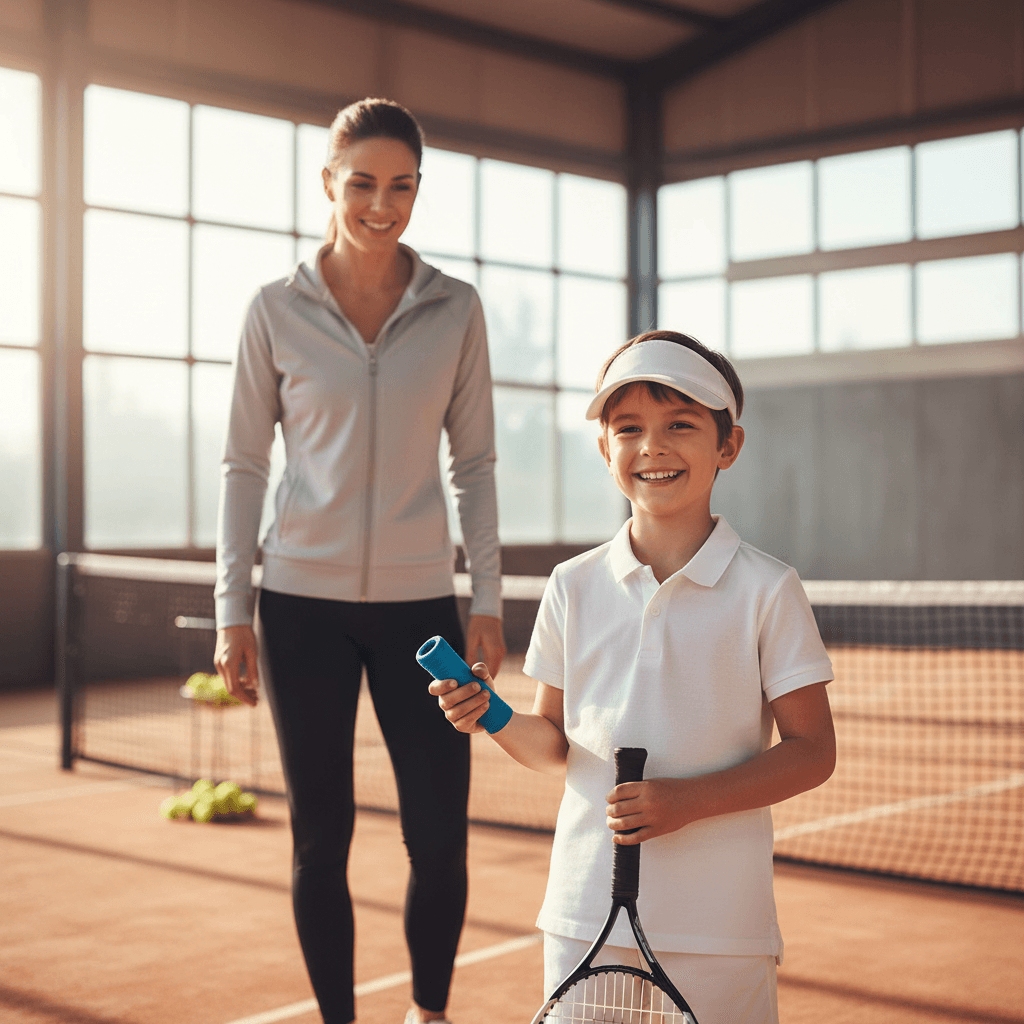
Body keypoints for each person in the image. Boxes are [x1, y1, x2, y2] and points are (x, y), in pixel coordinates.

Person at [430, 330, 836, 1024]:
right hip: (582, 912)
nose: (653, 446)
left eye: (680, 424)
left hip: (721, 930)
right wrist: (488, 715)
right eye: (629, 429)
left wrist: (690, 800)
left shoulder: (769, 589)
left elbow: (812, 751)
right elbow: (554, 745)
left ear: (728, 446)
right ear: (604, 450)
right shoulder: (572, 585)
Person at [213, 97, 506, 1024]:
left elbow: (477, 464)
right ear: (330, 183)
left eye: (404, 186)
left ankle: (429, 1014)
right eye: (365, 183)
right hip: (300, 605)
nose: (384, 204)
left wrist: (486, 598)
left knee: (439, 838)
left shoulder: (456, 309)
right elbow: (244, 465)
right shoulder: (274, 311)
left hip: (424, 609)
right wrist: (233, 607)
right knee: (319, 841)